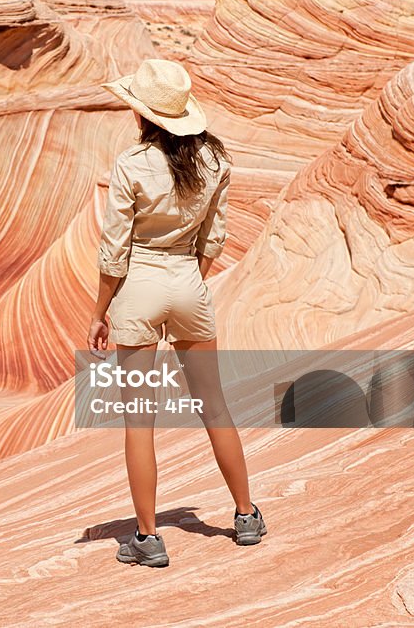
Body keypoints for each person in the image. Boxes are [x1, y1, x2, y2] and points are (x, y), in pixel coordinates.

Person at [87, 58, 266, 567]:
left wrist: (100, 313)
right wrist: (188, 281)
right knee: (214, 406)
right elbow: (215, 238)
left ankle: (148, 539)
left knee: (139, 420)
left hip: (139, 287)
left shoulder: (131, 164)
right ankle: (246, 515)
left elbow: (113, 250)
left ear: (142, 114)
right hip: (188, 279)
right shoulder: (214, 161)